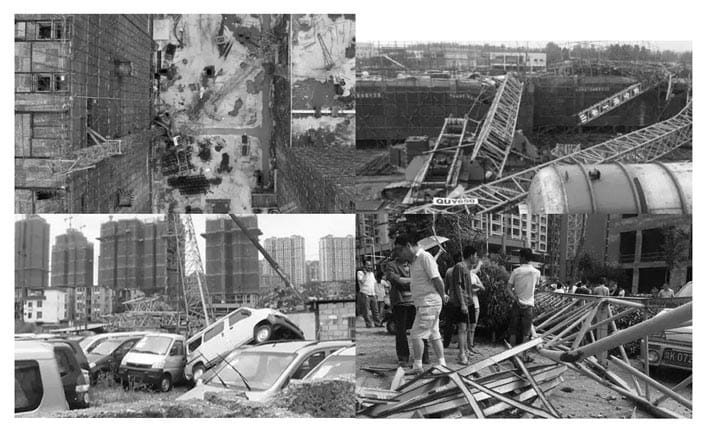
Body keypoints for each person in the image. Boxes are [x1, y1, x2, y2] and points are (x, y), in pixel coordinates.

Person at [395, 233, 447, 373]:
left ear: (408, 246)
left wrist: (443, 296)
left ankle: (418, 366)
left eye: (400, 250)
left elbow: (437, 279)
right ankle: (442, 364)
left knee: (416, 334)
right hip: (425, 302)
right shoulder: (414, 261)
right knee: (433, 333)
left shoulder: (425, 257)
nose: (399, 254)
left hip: (428, 302)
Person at [385, 251, 429, 367]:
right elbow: (397, 281)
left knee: (421, 329)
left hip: (415, 301)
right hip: (400, 302)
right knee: (401, 331)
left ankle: (424, 355)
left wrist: (407, 281)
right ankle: (403, 357)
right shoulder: (391, 265)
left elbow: (422, 279)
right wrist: (413, 281)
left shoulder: (414, 263)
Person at [445, 246, 480, 365]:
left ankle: (465, 350)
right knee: (462, 328)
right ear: (471, 256)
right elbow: (458, 286)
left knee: (467, 329)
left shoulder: (467, 267)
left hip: (469, 301)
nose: (476, 258)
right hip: (462, 302)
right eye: (475, 255)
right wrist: (463, 304)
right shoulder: (459, 266)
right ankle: (461, 355)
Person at [506, 248, 540, 363]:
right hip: (529, 305)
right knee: (526, 333)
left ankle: (512, 355)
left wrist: (515, 298)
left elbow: (508, 288)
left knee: (513, 331)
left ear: (524, 257)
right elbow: (537, 287)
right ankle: (524, 356)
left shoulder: (516, 271)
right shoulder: (536, 272)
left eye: (520, 256)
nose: (519, 259)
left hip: (517, 304)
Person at [356, 261, 380, 328]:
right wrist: (365, 274)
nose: (369, 267)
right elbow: (362, 281)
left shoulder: (372, 274)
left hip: (373, 294)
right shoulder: (360, 273)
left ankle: (377, 323)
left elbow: (374, 283)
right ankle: (369, 324)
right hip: (365, 293)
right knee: (366, 311)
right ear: (364, 266)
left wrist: (376, 292)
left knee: (375, 310)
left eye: (370, 265)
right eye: (368, 265)